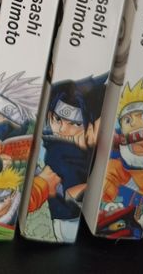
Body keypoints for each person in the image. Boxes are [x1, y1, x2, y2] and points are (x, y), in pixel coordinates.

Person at [28, 74, 107, 242]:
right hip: (60, 217)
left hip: (69, 219)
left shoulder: (72, 149)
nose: (63, 129)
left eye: (75, 124)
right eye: (57, 119)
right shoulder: (54, 144)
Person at [99, 77, 143, 234]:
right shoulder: (124, 147)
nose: (133, 124)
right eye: (127, 120)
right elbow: (113, 168)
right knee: (112, 168)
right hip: (135, 186)